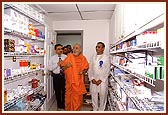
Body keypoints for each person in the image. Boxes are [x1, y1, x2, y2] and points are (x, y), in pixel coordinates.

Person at [60, 43, 89, 111]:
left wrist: (83, 72)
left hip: (78, 84)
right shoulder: (69, 57)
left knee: (77, 101)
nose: (75, 50)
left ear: (80, 50)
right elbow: (62, 69)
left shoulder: (83, 58)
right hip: (69, 83)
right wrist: (67, 66)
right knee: (68, 99)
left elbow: (86, 68)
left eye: (76, 48)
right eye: (74, 48)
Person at [88, 42, 110, 111]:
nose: (97, 48)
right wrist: (91, 78)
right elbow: (90, 68)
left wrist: (101, 80)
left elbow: (107, 70)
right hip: (94, 80)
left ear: (103, 48)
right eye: (96, 47)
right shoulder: (93, 57)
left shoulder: (106, 57)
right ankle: (95, 109)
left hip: (102, 81)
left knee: (102, 95)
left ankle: (101, 110)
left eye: (99, 47)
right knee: (93, 95)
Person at [47, 44, 67, 111]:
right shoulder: (52, 58)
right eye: (58, 49)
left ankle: (64, 105)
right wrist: (57, 64)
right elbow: (49, 68)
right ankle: (59, 105)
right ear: (55, 50)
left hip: (64, 76)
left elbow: (68, 67)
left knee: (64, 91)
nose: (60, 50)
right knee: (57, 91)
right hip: (56, 77)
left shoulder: (66, 57)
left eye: (61, 48)